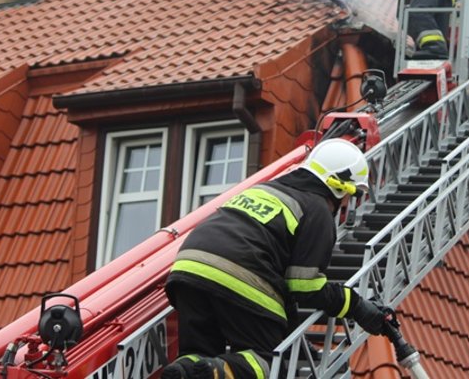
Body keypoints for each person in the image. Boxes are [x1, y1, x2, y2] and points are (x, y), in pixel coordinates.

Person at [161, 138, 388, 379]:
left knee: (198, 353)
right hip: (239, 273)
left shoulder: (265, 189)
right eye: (350, 196)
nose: (346, 205)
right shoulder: (317, 209)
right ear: (340, 187)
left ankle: (184, 372)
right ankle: (213, 374)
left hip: (188, 266)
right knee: (268, 361)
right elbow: (305, 287)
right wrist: (356, 305)